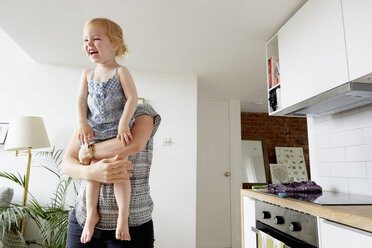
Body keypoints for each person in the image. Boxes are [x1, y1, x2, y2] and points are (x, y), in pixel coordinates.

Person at [62, 103, 161, 248]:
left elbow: (134, 143)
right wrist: (93, 172)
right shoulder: (89, 116)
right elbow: (67, 164)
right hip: (82, 221)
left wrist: (87, 152)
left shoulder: (142, 111)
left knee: (120, 166)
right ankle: (92, 214)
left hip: (133, 224)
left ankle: (122, 216)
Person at [76, 17, 138, 243]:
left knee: (119, 171)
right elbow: (80, 100)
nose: (89, 44)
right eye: (85, 40)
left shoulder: (120, 71)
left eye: (96, 39)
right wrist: (82, 122)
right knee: (92, 174)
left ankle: (123, 215)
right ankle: (92, 213)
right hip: (95, 132)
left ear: (115, 44)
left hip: (115, 132)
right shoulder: (86, 74)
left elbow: (132, 98)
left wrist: (123, 124)